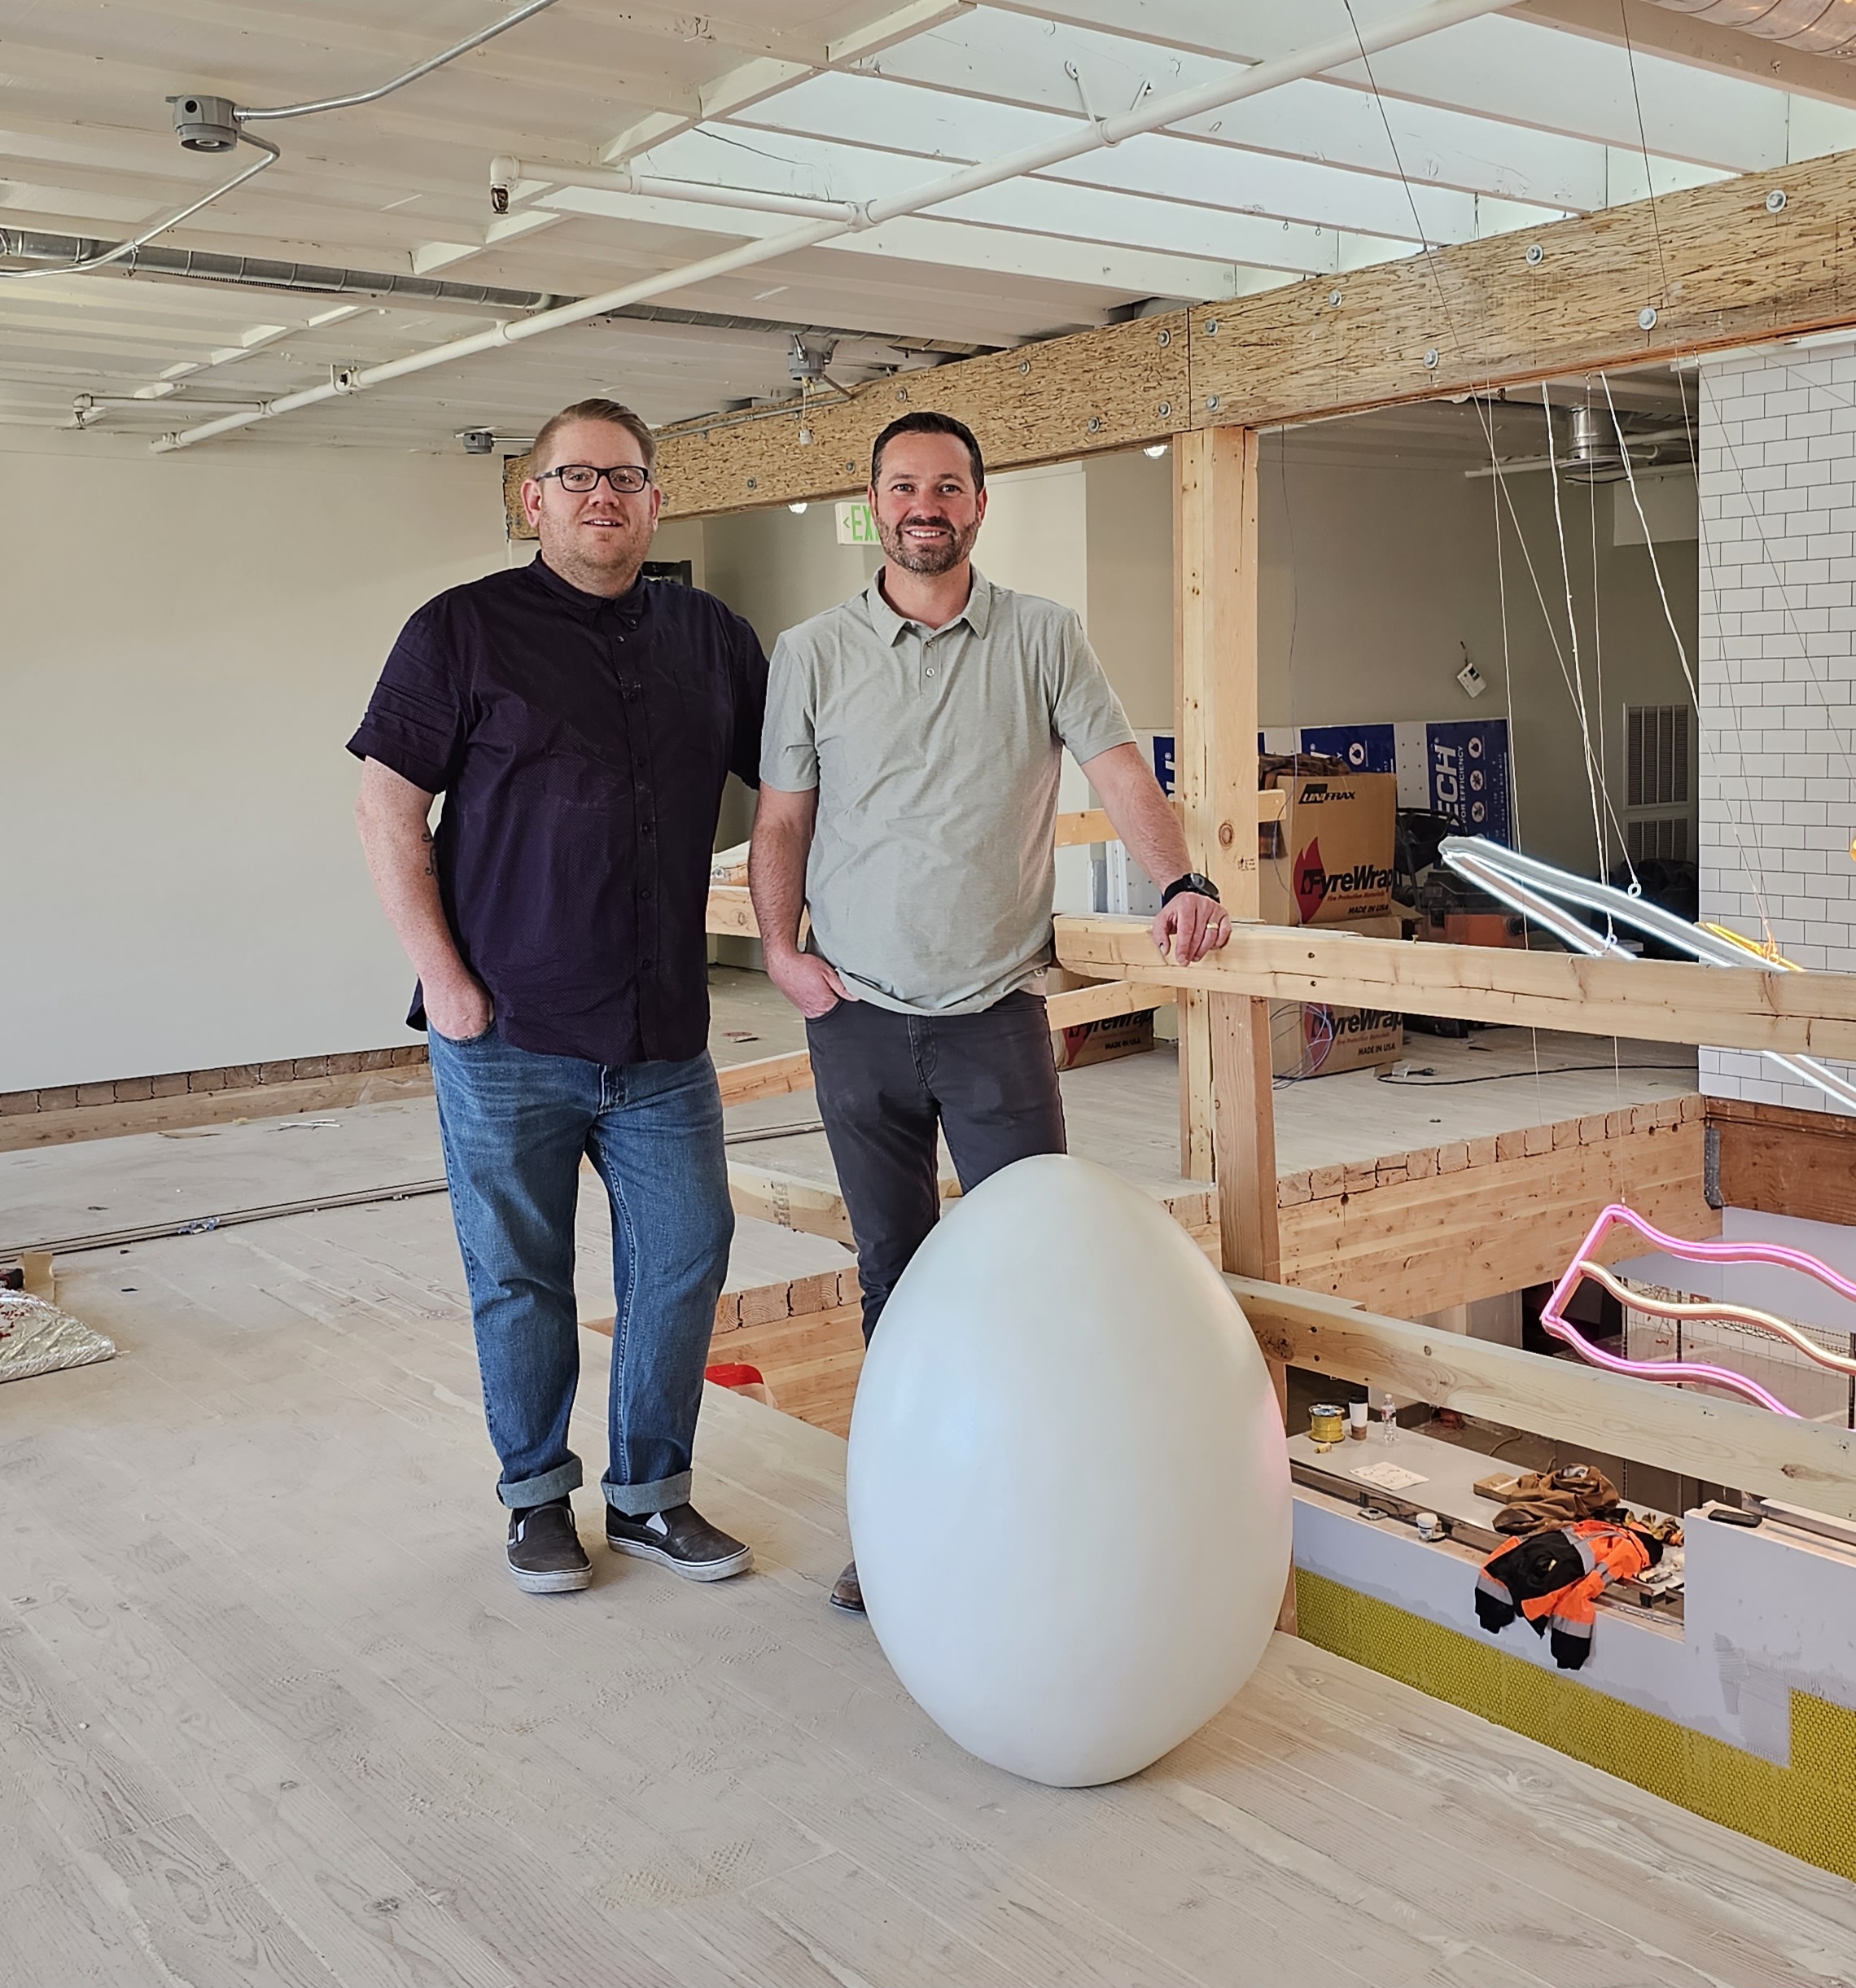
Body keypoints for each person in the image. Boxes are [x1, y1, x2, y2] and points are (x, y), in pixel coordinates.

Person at [750, 409, 1230, 1614]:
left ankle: (1041, 1519)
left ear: (979, 503)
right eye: (905, 486)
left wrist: (1181, 881)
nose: (928, 505)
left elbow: (1120, 770)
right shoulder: (811, 651)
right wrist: (779, 952)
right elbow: (782, 820)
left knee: (1033, 1273)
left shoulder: (1043, 638)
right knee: (894, 1275)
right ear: (874, 505)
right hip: (854, 1016)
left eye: (950, 486)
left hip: (994, 1015)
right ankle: (907, 1530)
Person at [351, 396, 766, 1596]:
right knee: (521, 1271)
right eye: (576, 476)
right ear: (530, 498)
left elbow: (800, 780)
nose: (603, 496)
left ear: (654, 500)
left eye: (626, 477)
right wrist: (445, 980)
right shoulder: (461, 632)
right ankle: (537, 1495)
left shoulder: (712, 637)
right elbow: (387, 807)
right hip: (507, 1031)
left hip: (661, 1037)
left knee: (686, 1254)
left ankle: (648, 1495)